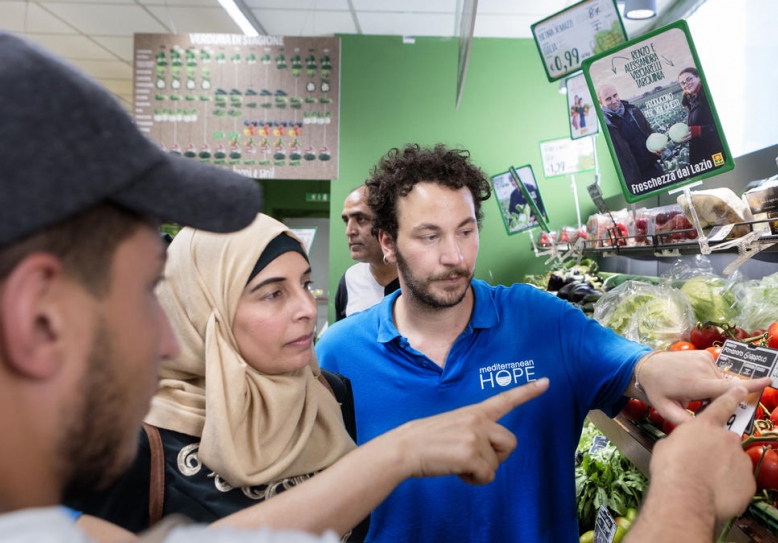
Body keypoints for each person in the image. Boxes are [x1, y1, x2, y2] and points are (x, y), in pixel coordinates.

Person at [0, 31, 548, 543]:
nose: (168, 342)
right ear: (37, 317)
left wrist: (397, 454)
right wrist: (398, 454)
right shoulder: (134, 452)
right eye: (145, 294)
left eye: (304, 284)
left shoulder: (329, 395)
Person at [316, 143, 770, 543]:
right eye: (429, 236)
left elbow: (630, 365)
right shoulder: (339, 353)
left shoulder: (541, 319)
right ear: (388, 243)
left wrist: (657, 368)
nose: (454, 256)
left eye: (466, 231)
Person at [333, 185, 399, 321]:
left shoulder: (416, 279)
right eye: (346, 221)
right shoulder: (350, 280)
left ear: (388, 224)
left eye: (361, 219)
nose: (349, 231)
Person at [598, 84, 664, 185]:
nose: (614, 101)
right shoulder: (604, 125)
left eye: (615, 95)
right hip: (634, 179)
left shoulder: (633, 110)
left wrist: (657, 146)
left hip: (654, 167)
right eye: (608, 99)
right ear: (601, 102)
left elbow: (649, 131)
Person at [677, 67, 725, 168]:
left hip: (716, 152)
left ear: (698, 77)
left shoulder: (709, 94)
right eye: (683, 83)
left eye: (689, 79)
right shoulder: (691, 99)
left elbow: (726, 125)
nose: (686, 84)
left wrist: (699, 131)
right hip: (703, 154)